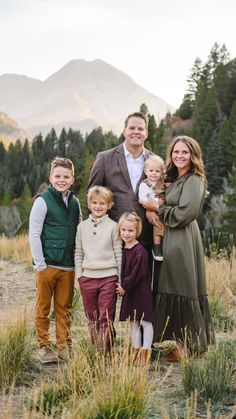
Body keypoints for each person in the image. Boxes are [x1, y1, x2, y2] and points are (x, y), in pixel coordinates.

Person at [143, 136, 215, 358]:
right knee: (171, 285)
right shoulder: (174, 178)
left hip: (182, 238)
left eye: (185, 152)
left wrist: (157, 208)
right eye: (176, 152)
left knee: (183, 286)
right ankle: (179, 343)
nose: (179, 156)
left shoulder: (194, 180)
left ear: (193, 155)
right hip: (169, 236)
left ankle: (187, 346)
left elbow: (186, 213)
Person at [29, 157, 82, 364]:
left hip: (68, 267)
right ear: (51, 177)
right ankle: (44, 346)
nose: (62, 180)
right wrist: (40, 264)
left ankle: (63, 346)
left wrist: (78, 263)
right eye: (58, 176)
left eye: (66, 176)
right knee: (43, 307)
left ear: (72, 179)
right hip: (47, 265)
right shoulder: (42, 201)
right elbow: (34, 234)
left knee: (64, 308)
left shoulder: (76, 202)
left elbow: (79, 232)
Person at [88, 112, 158, 252]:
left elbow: (162, 193)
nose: (136, 132)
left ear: (146, 133)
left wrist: (153, 208)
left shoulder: (155, 161)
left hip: (146, 237)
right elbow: (91, 195)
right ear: (124, 131)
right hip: (113, 236)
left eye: (140, 129)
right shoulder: (104, 158)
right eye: (132, 128)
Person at [74, 186, 122, 353]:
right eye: (94, 203)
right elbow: (78, 253)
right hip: (87, 278)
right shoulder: (82, 227)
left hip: (109, 277)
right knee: (92, 317)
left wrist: (120, 279)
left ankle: (104, 352)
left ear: (109, 205)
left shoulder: (114, 226)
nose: (98, 206)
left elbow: (118, 253)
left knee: (105, 316)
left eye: (102, 203)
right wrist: (80, 276)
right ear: (89, 204)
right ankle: (95, 348)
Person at [116, 213, 153, 365]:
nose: (126, 233)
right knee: (133, 322)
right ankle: (135, 350)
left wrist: (124, 286)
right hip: (130, 293)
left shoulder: (140, 251)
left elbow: (137, 273)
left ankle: (146, 352)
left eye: (130, 230)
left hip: (140, 292)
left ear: (137, 231)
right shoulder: (122, 249)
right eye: (123, 229)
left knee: (145, 321)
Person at [138, 155, 165, 261]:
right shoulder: (144, 185)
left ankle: (165, 244)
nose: (154, 173)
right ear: (145, 171)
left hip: (162, 209)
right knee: (158, 225)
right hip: (151, 210)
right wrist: (157, 202)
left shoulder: (162, 183)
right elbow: (142, 199)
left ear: (162, 172)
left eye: (157, 171)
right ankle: (157, 246)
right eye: (151, 170)